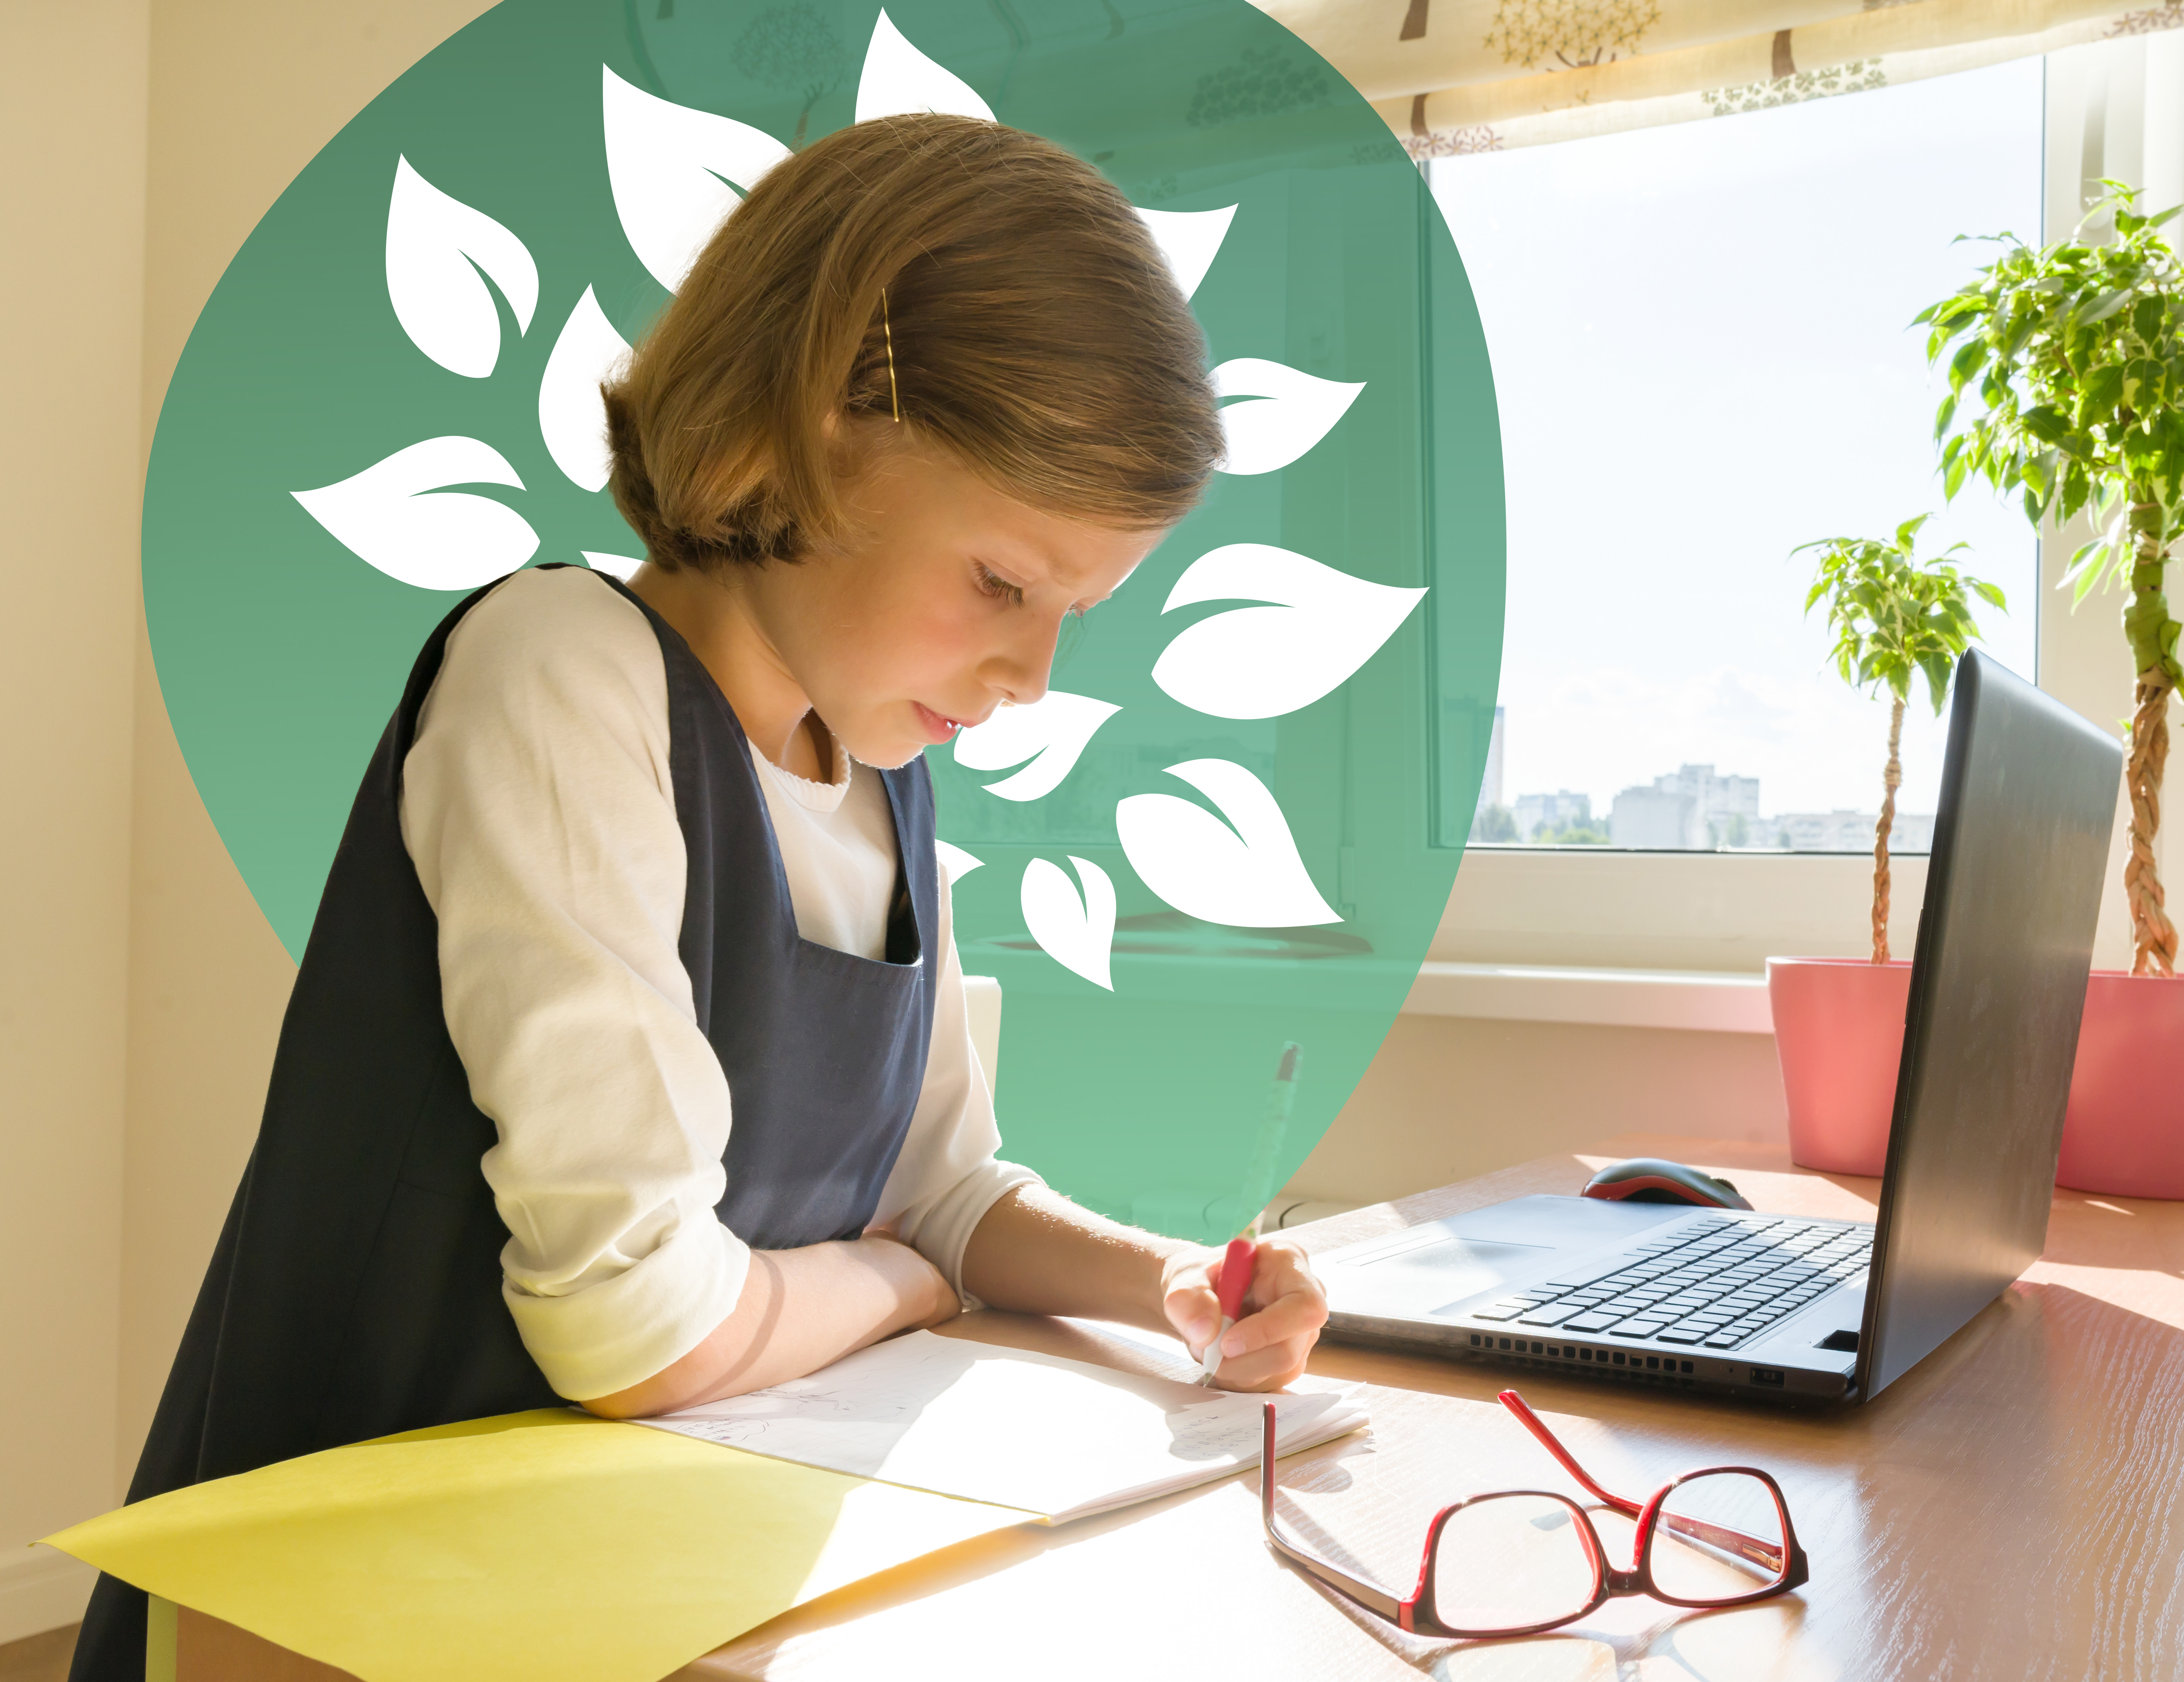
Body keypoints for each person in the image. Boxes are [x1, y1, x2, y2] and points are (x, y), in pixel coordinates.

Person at [70, 114, 1328, 1680]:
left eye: (1076, 610)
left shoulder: (886, 782)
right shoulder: (562, 670)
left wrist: (1167, 1285)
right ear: (810, 431)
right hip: (371, 1604)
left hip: (660, 1583)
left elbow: (941, 1194)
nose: (1030, 676)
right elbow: (638, 1329)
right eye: (1002, 583)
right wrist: (895, 1284)